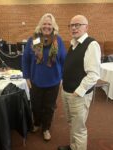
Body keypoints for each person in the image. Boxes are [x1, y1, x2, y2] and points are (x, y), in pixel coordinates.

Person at [58, 15, 101, 150]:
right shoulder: (74, 44)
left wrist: (79, 91)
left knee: (79, 129)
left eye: (78, 25)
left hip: (78, 95)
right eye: (71, 25)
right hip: (67, 92)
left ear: (86, 27)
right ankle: (73, 146)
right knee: (72, 124)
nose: (74, 28)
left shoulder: (91, 44)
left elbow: (94, 74)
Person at [22, 13, 66, 141]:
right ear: (40, 25)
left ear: (53, 27)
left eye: (49, 24)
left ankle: (46, 128)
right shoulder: (33, 39)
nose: (47, 26)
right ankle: (37, 123)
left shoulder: (58, 41)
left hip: (53, 81)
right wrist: (27, 77)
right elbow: (25, 60)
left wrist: (62, 77)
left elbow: (64, 60)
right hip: (36, 80)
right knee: (35, 105)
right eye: (44, 23)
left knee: (49, 107)